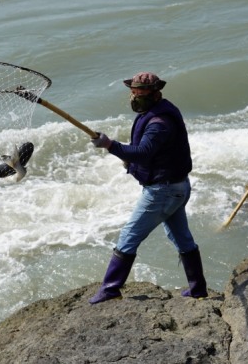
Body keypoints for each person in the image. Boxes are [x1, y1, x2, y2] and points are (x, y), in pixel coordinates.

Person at [88, 72, 207, 304]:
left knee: (129, 236)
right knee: (181, 237)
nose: (134, 96)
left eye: (140, 93)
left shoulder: (159, 123)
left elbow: (143, 153)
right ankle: (198, 289)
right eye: (133, 92)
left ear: (154, 94)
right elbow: (152, 154)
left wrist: (110, 145)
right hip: (177, 187)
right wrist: (126, 157)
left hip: (162, 191)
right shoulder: (159, 112)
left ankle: (110, 289)